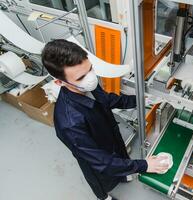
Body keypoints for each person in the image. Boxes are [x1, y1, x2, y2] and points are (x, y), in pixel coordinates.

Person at [41, 39, 169, 200]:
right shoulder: (69, 123)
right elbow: (103, 162)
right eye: (81, 77)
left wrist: (141, 100)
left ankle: (124, 175)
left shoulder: (88, 84)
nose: (91, 78)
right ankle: (103, 197)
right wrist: (144, 165)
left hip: (110, 136)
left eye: (90, 69)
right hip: (96, 157)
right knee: (99, 178)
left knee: (120, 157)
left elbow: (108, 100)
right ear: (59, 82)